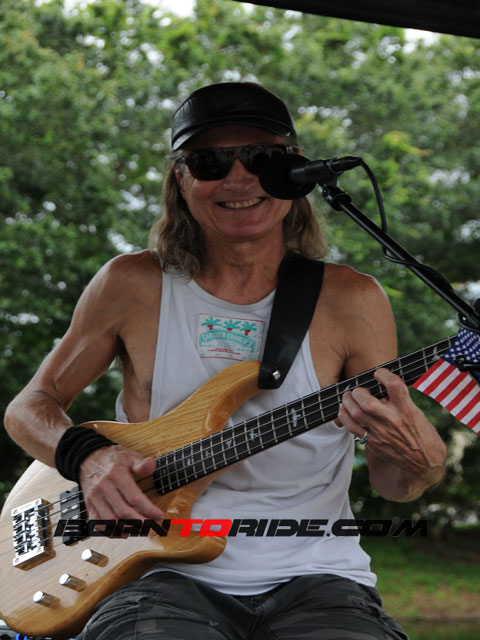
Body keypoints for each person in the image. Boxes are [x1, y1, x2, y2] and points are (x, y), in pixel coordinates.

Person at [4, 82, 447, 639]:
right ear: (180, 180)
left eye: (261, 158)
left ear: (295, 172)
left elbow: (392, 483)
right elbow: (29, 407)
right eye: (210, 162)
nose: (238, 179)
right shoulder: (130, 284)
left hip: (318, 577)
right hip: (155, 572)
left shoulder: (353, 299)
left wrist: (422, 464)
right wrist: (89, 458)